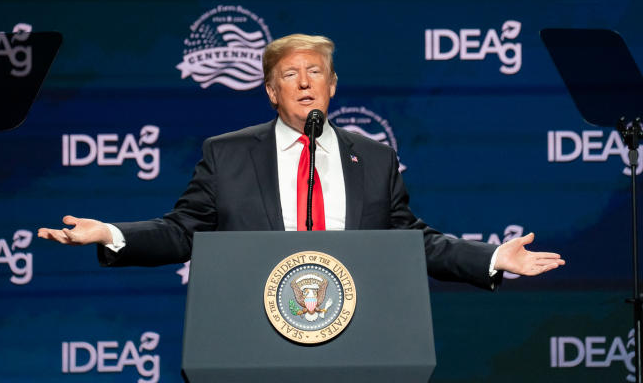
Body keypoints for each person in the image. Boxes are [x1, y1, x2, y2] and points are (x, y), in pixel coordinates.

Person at [38, 34, 564, 289]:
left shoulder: (374, 157)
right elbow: (182, 233)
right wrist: (109, 233)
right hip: (253, 331)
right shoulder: (228, 154)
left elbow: (411, 241)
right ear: (271, 91)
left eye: (316, 72)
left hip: (357, 330)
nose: (305, 81)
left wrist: (492, 258)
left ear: (333, 87)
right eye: (291, 74)